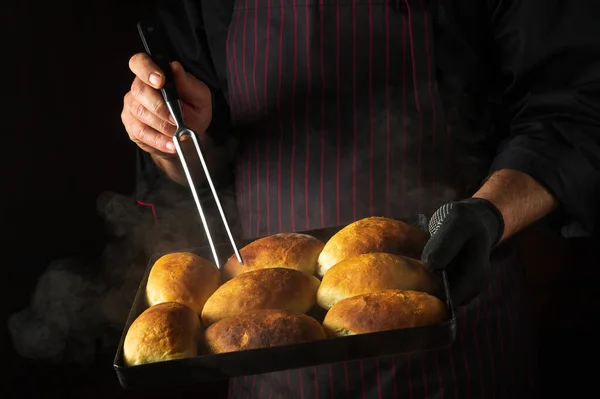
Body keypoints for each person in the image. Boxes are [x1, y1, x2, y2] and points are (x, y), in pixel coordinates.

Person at [121, 0, 600, 397]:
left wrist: (490, 215)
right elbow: (194, 143)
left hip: (458, 336)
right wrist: (167, 133)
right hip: (267, 355)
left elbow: (573, 107)